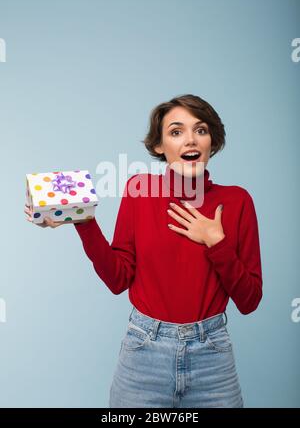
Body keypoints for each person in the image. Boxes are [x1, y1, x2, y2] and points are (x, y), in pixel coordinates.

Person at [24, 94, 263, 408]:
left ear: (212, 142)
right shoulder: (140, 192)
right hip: (145, 351)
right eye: (176, 132)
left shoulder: (237, 201)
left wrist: (216, 243)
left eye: (201, 130)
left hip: (212, 357)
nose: (190, 139)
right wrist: (83, 220)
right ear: (160, 146)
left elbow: (249, 301)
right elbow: (118, 279)